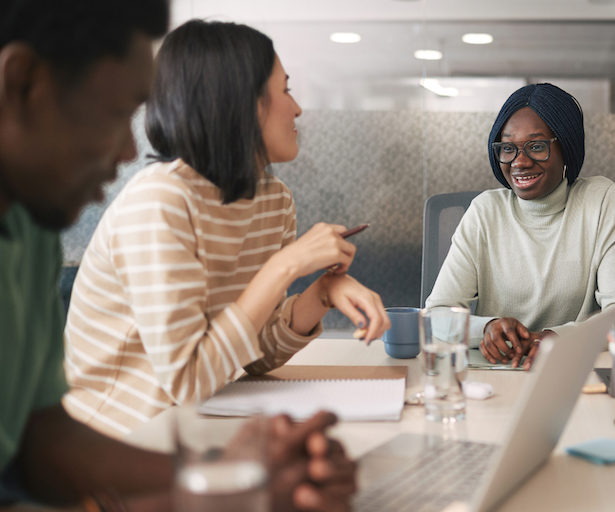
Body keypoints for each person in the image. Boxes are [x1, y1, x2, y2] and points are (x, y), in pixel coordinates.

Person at [0, 2, 355, 510]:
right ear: (21, 84)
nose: (130, 149)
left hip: (185, 428)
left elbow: (45, 443)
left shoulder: (31, 226)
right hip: (141, 426)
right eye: (116, 111)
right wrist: (223, 490)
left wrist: (235, 476)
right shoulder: (158, 199)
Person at [63, 19, 390, 440]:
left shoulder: (273, 201)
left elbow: (255, 354)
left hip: (193, 431)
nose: (298, 108)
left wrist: (321, 294)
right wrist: (284, 267)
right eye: (285, 90)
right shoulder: (159, 201)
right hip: (113, 445)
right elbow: (187, 380)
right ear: (244, 103)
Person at [425, 83, 615, 369]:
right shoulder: (485, 211)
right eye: (508, 148)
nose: (520, 162)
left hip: (571, 372)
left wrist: (557, 339)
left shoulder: (600, 202)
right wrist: (485, 329)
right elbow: (435, 315)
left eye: (537, 147)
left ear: (566, 146)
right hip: (496, 374)